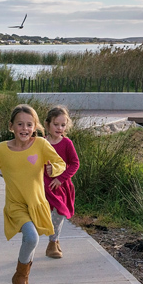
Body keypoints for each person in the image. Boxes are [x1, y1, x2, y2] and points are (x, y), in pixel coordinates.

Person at [0, 104, 66, 284]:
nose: (24, 129)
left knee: (30, 241)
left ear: (34, 127)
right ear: (11, 126)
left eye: (29, 125)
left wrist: (55, 170)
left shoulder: (41, 145)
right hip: (16, 205)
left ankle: (22, 276)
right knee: (32, 238)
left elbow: (60, 162)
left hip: (37, 203)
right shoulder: (1, 150)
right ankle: (21, 276)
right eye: (20, 124)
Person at [42, 106, 80, 259]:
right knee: (44, 215)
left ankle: (53, 242)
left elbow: (75, 163)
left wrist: (60, 178)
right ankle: (54, 240)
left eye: (63, 125)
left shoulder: (67, 143)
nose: (59, 128)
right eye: (56, 124)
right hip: (44, 185)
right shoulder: (41, 142)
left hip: (61, 186)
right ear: (47, 124)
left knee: (59, 214)